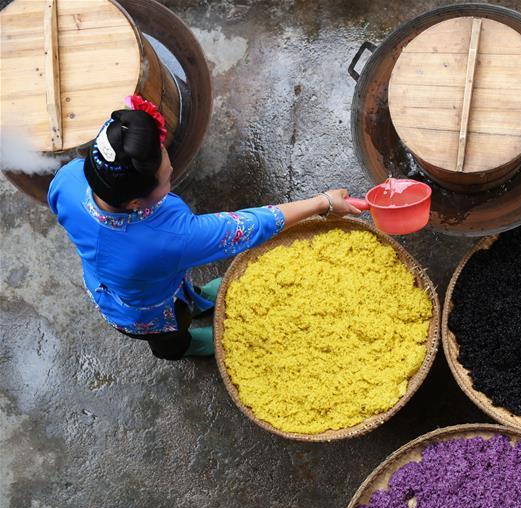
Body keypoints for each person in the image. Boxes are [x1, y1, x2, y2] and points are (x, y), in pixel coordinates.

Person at [48, 95, 360, 360]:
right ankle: (187, 345)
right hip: (143, 313)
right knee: (170, 335)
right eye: (166, 180)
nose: (171, 178)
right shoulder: (169, 238)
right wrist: (323, 203)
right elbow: (249, 226)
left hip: (109, 276)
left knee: (175, 282)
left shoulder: (69, 179)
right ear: (134, 203)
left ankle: (196, 299)